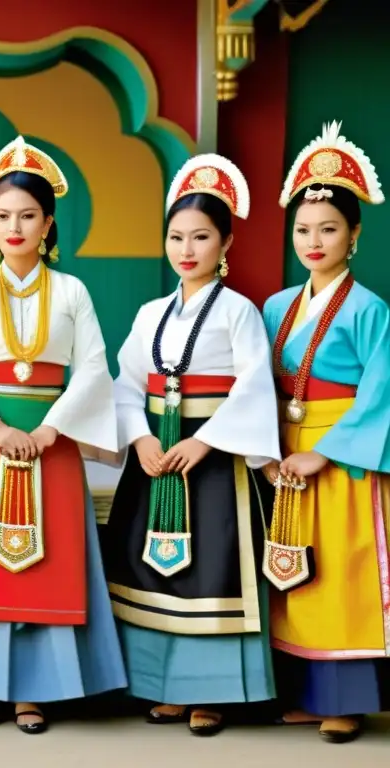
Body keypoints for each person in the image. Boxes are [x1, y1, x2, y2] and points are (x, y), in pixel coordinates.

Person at [0, 136, 126, 734]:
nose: (15, 227)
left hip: (51, 443)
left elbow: (92, 367)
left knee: (46, 561)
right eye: (4, 216)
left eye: (28, 216)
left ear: (48, 223)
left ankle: (36, 690)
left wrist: (51, 428)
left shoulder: (73, 292)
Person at [102, 154, 282, 736]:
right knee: (148, 569)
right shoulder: (151, 312)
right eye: (176, 236)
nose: (187, 249)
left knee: (214, 571)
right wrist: (141, 438)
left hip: (214, 465)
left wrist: (204, 444)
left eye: (201, 237)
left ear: (225, 241)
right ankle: (160, 686)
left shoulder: (240, 312)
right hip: (157, 455)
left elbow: (255, 387)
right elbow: (126, 383)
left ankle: (214, 693)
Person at [262, 122, 390, 744]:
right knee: (292, 571)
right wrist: (270, 450)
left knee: (340, 573)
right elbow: (258, 387)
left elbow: (381, 394)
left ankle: (347, 698)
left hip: (340, 455)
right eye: (303, 230)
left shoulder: (371, 310)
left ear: (355, 234)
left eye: (329, 229)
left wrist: (324, 454)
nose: (314, 241)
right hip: (287, 454)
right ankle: (306, 693)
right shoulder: (275, 306)